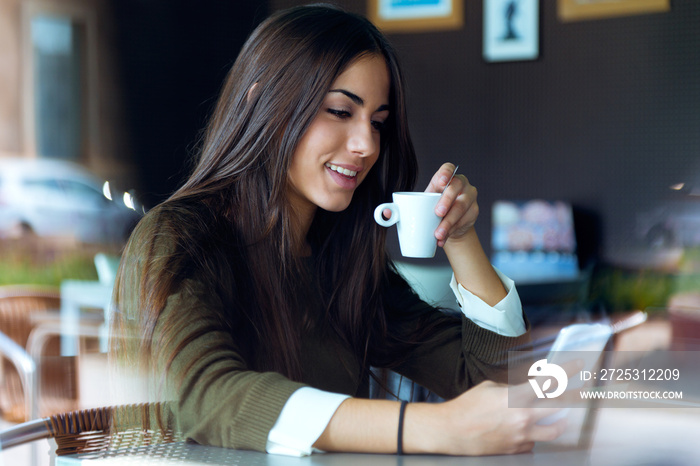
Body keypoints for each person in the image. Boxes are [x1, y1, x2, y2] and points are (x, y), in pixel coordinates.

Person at [110, 4, 565, 457]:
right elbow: (205, 396)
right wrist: (435, 428)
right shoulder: (176, 238)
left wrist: (461, 239)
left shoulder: (340, 262)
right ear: (258, 103)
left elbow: (504, 384)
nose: (366, 145)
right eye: (339, 110)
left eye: (378, 123)